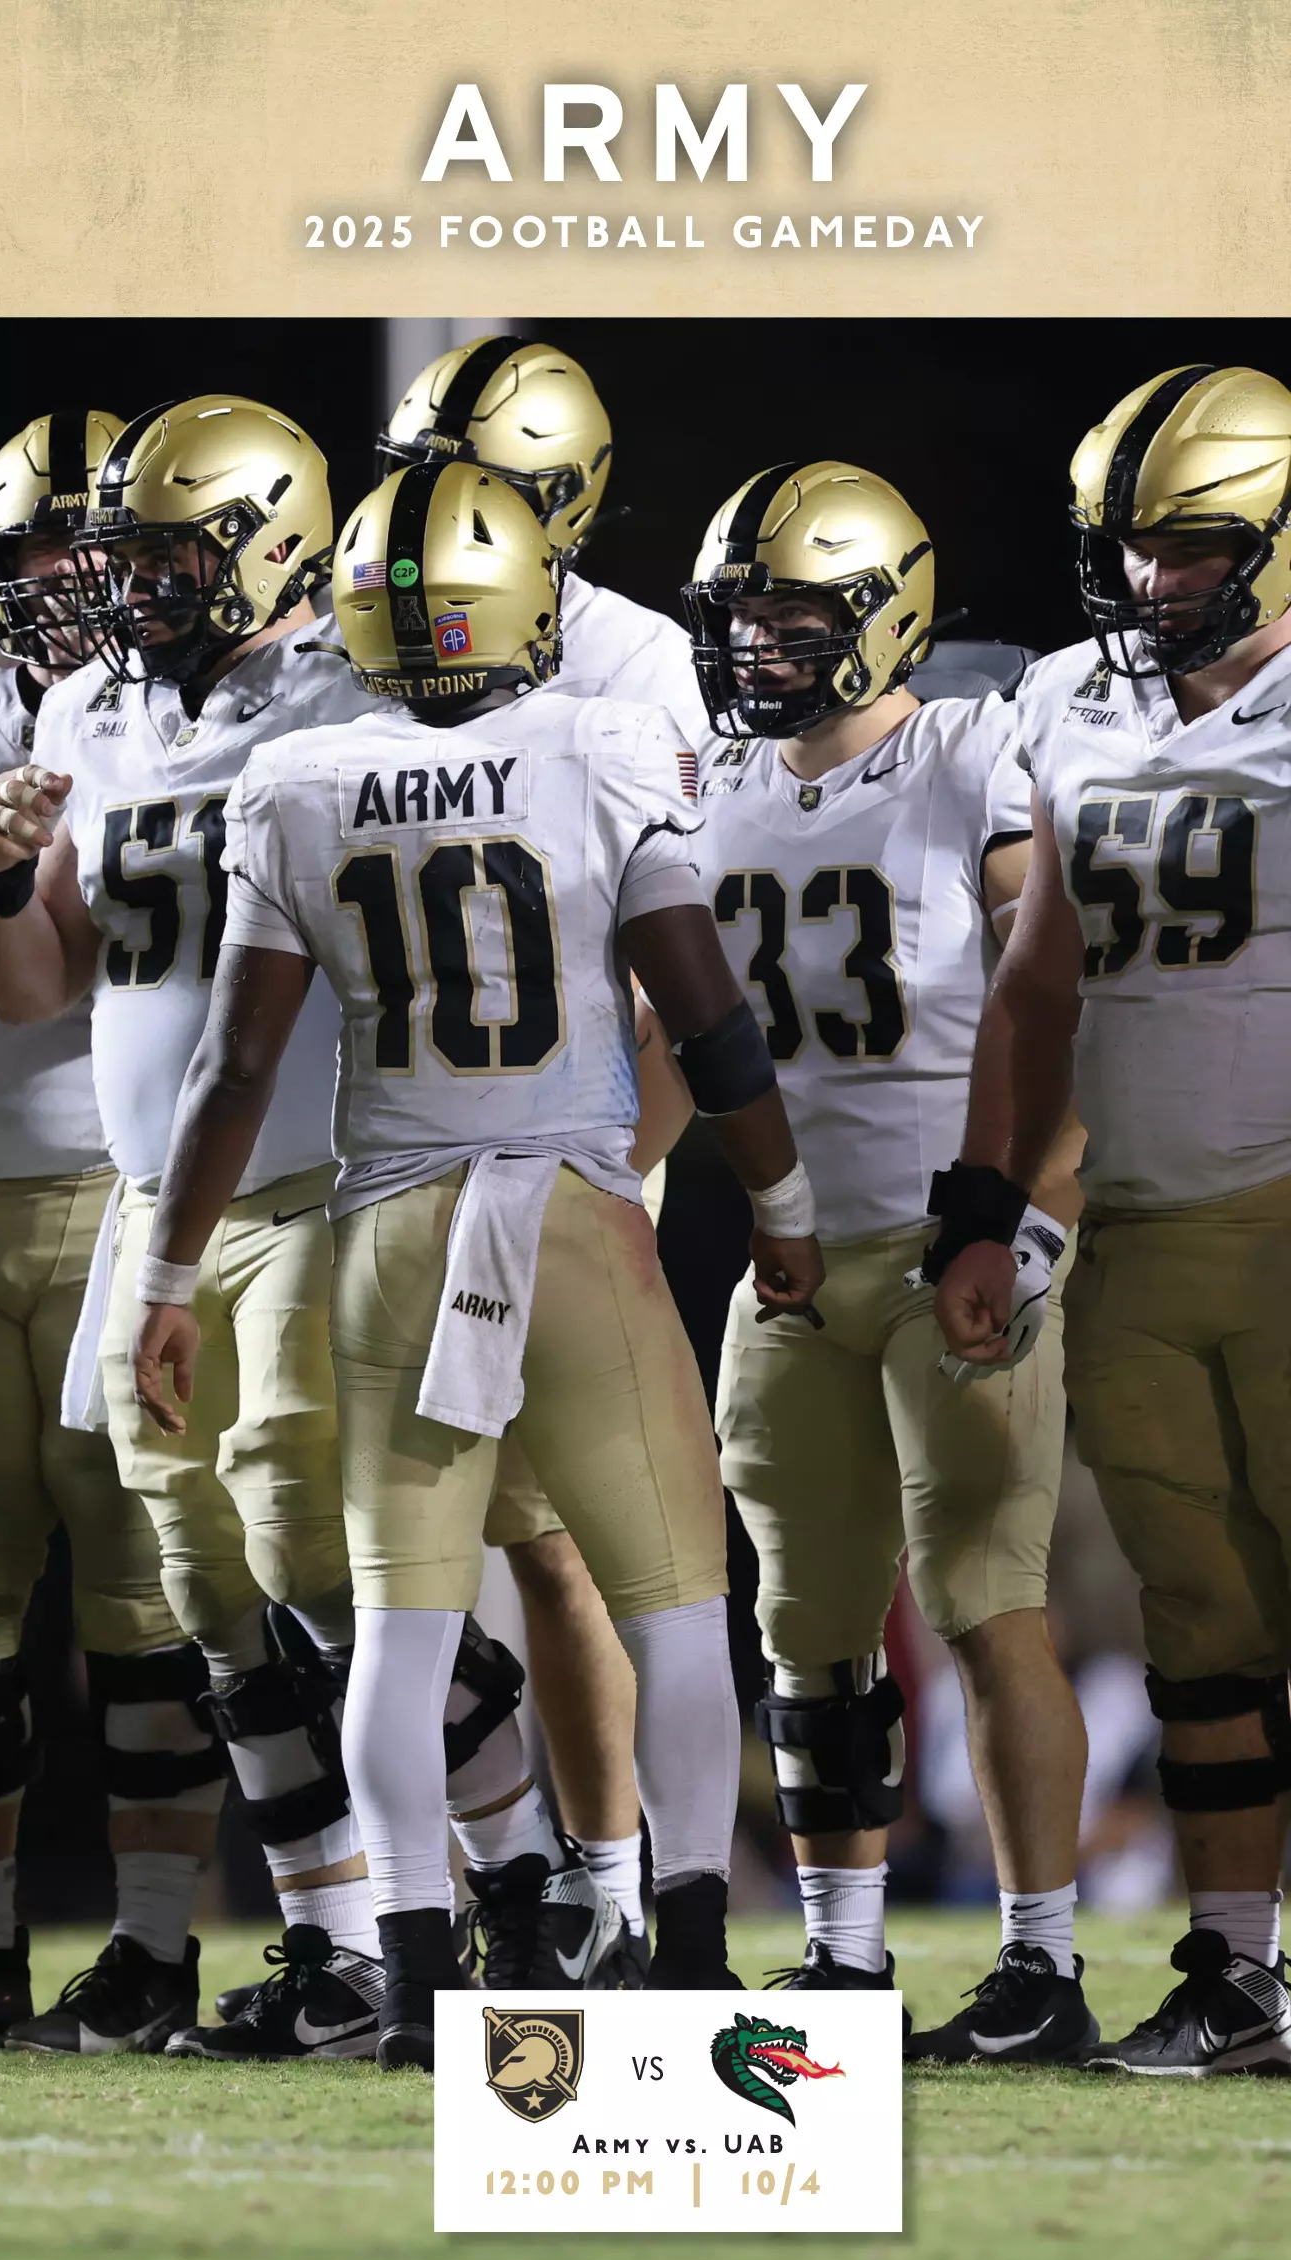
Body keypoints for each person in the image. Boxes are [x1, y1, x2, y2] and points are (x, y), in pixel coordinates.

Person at [127, 456, 824, 2069]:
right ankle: (694, 1953)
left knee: (402, 1623)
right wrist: (781, 1211)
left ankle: (427, 1981)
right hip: (573, 1222)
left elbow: (232, 1071)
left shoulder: (296, 781)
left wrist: (167, 1275)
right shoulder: (595, 744)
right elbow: (707, 1019)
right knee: (672, 1609)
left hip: (386, 1236)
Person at [680, 458, 1097, 2064]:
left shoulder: (973, 760)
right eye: (743, 612)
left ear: (887, 611)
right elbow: (671, 1033)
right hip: (790, 1255)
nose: (763, 643)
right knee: (806, 1624)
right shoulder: (710, 778)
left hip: (952, 1240)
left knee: (990, 1604)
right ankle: (844, 1967)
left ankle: (1040, 1964)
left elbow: (1055, 1003)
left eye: (797, 609)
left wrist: (1027, 1219)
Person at [0, 395, 392, 2056]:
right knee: (202, 1584)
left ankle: (488, 1900)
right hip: (162, 1199)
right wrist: (9, 878)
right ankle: (333, 1943)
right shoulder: (91, 703)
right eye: (131, 551)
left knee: (317, 1560)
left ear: (282, 537)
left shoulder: (358, 696)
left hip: (310, 1178)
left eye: (172, 550)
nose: (137, 584)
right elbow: (48, 981)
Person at [932, 362, 1291, 2075]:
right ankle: (1234, 1977)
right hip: (1138, 1230)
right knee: (1198, 1620)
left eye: (1194, 542)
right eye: (1132, 544)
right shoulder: (1068, 697)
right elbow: (1038, 981)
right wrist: (990, 1201)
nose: (1157, 577)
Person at [376, 333, 709, 1973]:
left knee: (568, 1534)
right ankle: (489, 1882)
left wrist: (627, 1176)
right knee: (412, 1537)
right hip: (397, 1163)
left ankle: (606, 1885)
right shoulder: (368, 633)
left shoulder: (633, 662)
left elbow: (676, 969)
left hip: (565, 1154)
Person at [0, 407, 229, 2053]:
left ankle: (158, 1949)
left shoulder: (199, 701)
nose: (67, 578)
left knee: (149, 1609)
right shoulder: (82, 704)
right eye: (32, 552)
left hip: (125, 1183)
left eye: (101, 545)